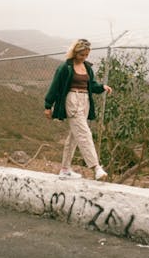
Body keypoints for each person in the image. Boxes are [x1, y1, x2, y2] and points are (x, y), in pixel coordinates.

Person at [44, 38, 112, 180]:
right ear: (75, 52)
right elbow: (55, 87)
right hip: (72, 100)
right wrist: (48, 106)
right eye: (82, 55)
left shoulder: (87, 67)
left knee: (74, 136)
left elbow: (91, 85)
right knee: (84, 133)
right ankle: (96, 167)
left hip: (85, 100)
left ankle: (65, 169)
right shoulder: (65, 67)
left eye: (86, 55)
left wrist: (102, 87)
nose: (84, 57)